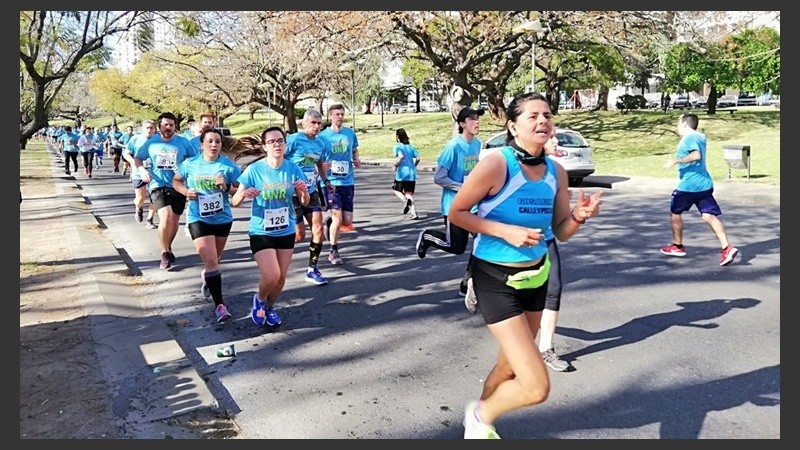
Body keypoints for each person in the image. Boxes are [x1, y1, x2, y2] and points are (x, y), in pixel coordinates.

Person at [447, 92, 602, 439]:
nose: (542, 121)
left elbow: (561, 232)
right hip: (495, 278)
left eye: (547, 115)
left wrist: (579, 215)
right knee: (535, 387)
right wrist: (505, 231)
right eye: (532, 116)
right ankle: (480, 415)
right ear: (513, 126)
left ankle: (476, 428)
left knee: (507, 366)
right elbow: (456, 213)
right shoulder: (496, 164)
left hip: (537, 277)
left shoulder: (556, 173)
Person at [231, 126, 310, 327]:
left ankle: (269, 307)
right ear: (265, 146)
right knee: (272, 274)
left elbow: (305, 201)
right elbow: (235, 201)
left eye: (280, 141)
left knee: (281, 277)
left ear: (285, 144)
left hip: (285, 228)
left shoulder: (293, 168)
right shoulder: (255, 170)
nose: (277, 145)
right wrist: (243, 194)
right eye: (272, 142)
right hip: (261, 230)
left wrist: (302, 192)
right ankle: (259, 299)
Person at [173, 128, 241, 323]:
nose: (214, 145)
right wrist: (186, 192)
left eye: (218, 141)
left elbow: (239, 190)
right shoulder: (190, 164)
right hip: (198, 218)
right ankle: (220, 306)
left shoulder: (228, 166)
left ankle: (207, 277)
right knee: (211, 261)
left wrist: (226, 187)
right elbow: (176, 180)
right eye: (210, 141)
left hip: (222, 218)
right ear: (201, 144)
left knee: (215, 260)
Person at [415, 106, 483, 297]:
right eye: (472, 120)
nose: (476, 123)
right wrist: (461, 187)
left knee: (482, 241)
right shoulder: (453, 147)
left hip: (474, 205)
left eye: (477, 119)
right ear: (462, 124)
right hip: (454, 205)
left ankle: (467, 283)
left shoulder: (477, 144)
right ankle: (428, 237)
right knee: (456, 247)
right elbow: (439, 177)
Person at [660, 113, 739, 266]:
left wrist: (676, 161)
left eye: (678, 123)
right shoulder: (701, 137)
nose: (677, 127)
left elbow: (696, 155)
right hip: (704, 184)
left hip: (689, 186)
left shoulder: (689, 138)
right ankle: (727, 248)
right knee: (708, 215)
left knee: (675, 213)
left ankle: (677, 246)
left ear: (684, 124)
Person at [133, 112, 198, 270]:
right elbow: (137, 157)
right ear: (159, 126)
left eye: (171, 125)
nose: (168, 128)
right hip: (157, 184)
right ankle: (164, 253)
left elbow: (194, 160)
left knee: (174, 220)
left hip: (178, 186)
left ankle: (168, 247)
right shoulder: (151, 142)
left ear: (176, 126)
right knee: (166, 217)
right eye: (165, 125)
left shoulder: (183, 142)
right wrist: (141, 170)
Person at [285, 109, 334, 285]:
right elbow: (278, 158)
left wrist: (326, 181)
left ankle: (312, 270)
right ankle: (277, 248)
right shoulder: (294, 140)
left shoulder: (320, 142)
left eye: (319, 123)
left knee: (318, 229)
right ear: (304, 123)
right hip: (291, 193)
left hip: (311, 190)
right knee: (299, 235)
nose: (316, 126)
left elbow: (319, 164)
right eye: (313, 123)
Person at [318, 103, 361, 265]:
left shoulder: (350, 133)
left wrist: (356, 158)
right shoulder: (323, 137)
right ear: (330, 116)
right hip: (331, 181)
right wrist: (322, 166)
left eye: (342, 114)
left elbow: (355, 148)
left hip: (348, 180)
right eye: (337, 114)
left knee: (347, 221)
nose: (340, 117)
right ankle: (333, 251)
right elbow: (317, 157)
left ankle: (328, 223)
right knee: (337, 217)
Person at [123, 120, 158, 227]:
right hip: (139, 172)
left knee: (155, 197)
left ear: (155, 129)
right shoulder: (135, 139)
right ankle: (139, 207)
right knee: (140, 198)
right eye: (147, 128)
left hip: (155, 173)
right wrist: (133, 162)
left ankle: (150, 219)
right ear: (142, 129)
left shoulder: (158, 139)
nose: (149, 130)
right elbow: (126, 153)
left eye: (151, 128)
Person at [390, 128, 421, 220]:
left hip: (402, 173)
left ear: (397, 137)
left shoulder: (398, 146)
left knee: (396, 189)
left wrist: (395, 165)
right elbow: (418, 158)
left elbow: (400, 156)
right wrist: (414, 166)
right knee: (408, 193)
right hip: (411, 173)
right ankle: (414, 213)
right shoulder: (411, 147)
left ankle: (405, 200)